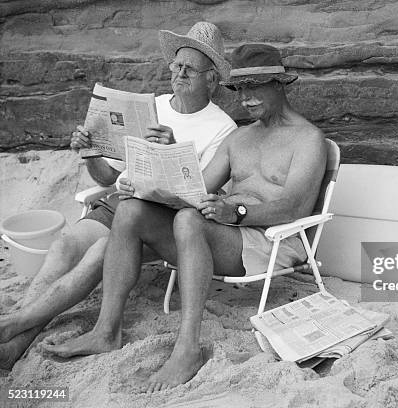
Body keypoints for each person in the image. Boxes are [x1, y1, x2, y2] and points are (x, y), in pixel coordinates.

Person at [42, 44, 327, 393]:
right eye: (241, 88)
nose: (247, 97)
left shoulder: (308, 138)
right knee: (131, 211)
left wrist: (237, 212)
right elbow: (196, 189)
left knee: (189, 220)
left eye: (256, 85)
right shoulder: (240, 137)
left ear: (279, 84)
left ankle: (188, 347)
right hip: (222, 233)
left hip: (268, 241)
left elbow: (295, 207)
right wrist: (164, 159)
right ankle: (106, 330)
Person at [0, 21, 236, 370]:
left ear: (211, 80)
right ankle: (20, 330)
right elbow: (108, 176)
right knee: (66, 244)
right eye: (176, 65)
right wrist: (91, 152)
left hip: (160, 217)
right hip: (121, 200)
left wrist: (170, 152)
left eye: (190, 68)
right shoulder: (151, 106)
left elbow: (201, 196)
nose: (179, 72)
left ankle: (15, 330)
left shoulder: (222, 128)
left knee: (99, 252)